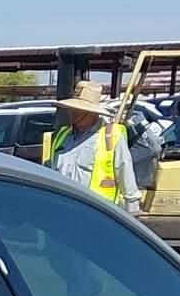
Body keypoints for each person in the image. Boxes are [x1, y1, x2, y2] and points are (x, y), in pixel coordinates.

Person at [41, 80, 141, 213]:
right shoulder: (62, 135)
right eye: (72, 108)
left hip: (97, 212)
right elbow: (49, 171)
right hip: (62, 208)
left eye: (77, 109)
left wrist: (132, 212)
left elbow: (125, 175)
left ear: (91, 112)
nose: (71, 112)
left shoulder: (111, 136)